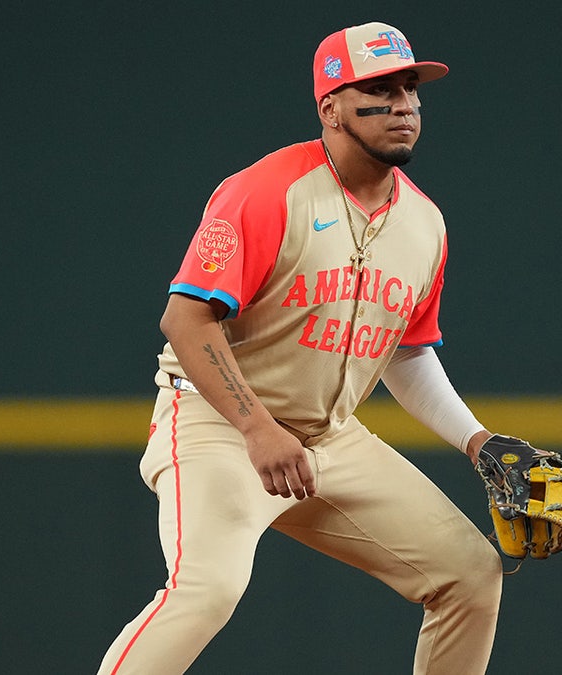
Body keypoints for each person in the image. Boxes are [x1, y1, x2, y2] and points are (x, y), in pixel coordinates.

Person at [97, 21, 512, 675]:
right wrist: (255, 427)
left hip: (327, 440)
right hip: (218, 427)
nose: (404, 103)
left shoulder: (425, 223)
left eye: (411, 87)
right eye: (380, 88)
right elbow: (186, 320)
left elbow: (405, 352)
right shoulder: (268, 191)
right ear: (331, 108)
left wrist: (477, 440)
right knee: (207, 591)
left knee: (469, 573)